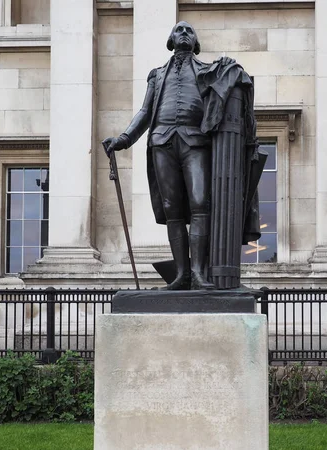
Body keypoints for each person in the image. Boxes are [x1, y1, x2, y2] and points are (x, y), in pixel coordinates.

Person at [104, 21, 256, 291]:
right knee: (172, 211)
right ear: (170, 40)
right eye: (178, 30)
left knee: (200, 204)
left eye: (189, 31)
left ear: (195, 42)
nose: (184, 33)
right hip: (162, 142)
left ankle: (198, 273)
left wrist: (230, 65)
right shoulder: (157, 75)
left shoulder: (208, 71)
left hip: (194, 142)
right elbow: (144, 112)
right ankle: (181, 276)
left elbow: (234, 77)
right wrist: (124, 139)